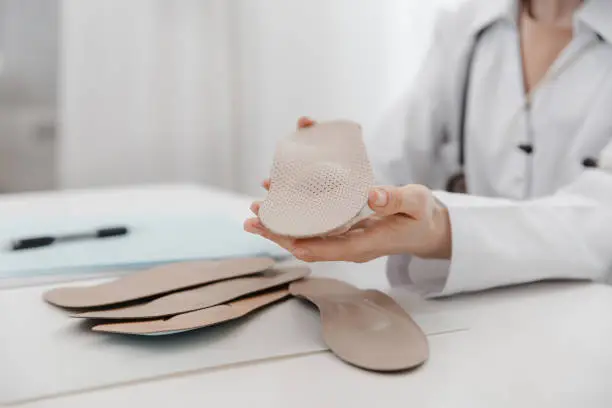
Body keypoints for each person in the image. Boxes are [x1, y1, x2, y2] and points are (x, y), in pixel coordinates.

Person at [244, 0, 612, 298]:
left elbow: (600, 224)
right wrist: (333, 173)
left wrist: (441, 230)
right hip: (481, 309)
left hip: (592, 313)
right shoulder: (467, 27)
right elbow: (393, 154)